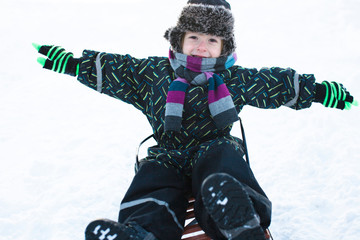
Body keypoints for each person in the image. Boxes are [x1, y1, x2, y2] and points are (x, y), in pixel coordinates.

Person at [33, 0, 357, 239]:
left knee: (224, 160)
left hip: (213, 151)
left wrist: (316, 91)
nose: (202, 47)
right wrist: (74, 64)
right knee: (152, 178)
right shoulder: (152, 74)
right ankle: (141, 232)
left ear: (223, 48)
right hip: (169, 155)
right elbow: (120, 70)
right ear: (178, 40)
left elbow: (274, 84)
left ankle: (240, 221)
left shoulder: (234, 79)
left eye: (212, 40)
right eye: (194, 37)